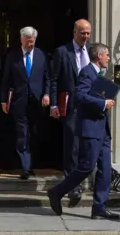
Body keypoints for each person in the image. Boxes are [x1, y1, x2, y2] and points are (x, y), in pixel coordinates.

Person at [47, 43, 119, 220]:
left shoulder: (100, 74)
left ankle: (99, 207)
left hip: (102, 129)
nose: (109, 58)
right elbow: (80, 96)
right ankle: (57, 192)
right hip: (90, 127)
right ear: (99, 56)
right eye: (107, 55)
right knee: (87, 167)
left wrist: (106, 99)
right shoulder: (87, 72)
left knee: (105, 170)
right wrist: (103, 103)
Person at [0, 26, 50, 180]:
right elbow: (6, 79)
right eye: (28, 41)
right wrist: (3, 99)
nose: (30, 43)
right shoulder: (13, 57)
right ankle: (25, 167)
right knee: (22, 134)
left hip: (37, 101)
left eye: (32, 41)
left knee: (34, 134)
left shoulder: (41, 55)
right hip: (19, 101)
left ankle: (31, 164)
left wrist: (47, 94)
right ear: (21, 39)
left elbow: (47, 77)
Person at [50, 19, 91, 201]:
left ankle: (80, 182)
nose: (86, 37)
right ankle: (71, 185)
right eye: (83, 33)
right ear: (74, 32)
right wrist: (53, 104)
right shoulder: (62, 51)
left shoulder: (92, 52)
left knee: (85, 146)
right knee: (72, 147)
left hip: (90, 106)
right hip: (70, 106)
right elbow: (54, 79)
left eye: (88, 33)